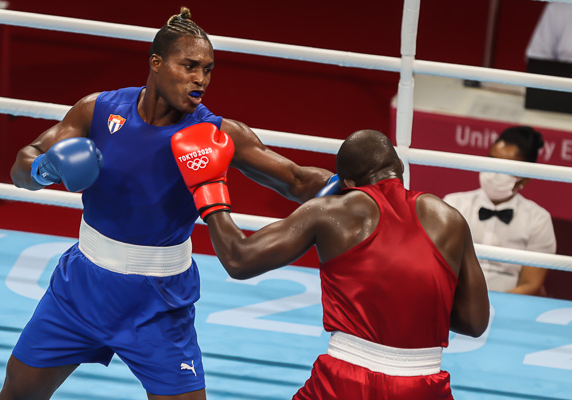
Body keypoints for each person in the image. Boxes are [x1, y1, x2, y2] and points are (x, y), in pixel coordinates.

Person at [0, 8, 334, 400]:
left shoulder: (215, 133)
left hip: (159, 303)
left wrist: (358, 187)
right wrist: (44, 168)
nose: (200, 80)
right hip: (80, 291)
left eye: (208, 70)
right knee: (16, 394)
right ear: (156, 63)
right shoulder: (98, 110)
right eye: (189, 66)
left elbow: (296, 180)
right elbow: (23, 164)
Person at [173, 126, 490, 399]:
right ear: (399, 169)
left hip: (347, 380)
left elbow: (239, 259)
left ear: (348, 183)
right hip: (424, 383)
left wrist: (208, 188)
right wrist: (408, 302)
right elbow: (475, 323)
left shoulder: (332, 212)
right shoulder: (450, 218)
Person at [444, 126, 556, 296]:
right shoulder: (453, 204)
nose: (494, 172)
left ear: (525, 178)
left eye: (506, 166)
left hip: (510, 303)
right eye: (493, 160)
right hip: (455, 298)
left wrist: (493, 306)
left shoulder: (539, 220)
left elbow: (531, 284)